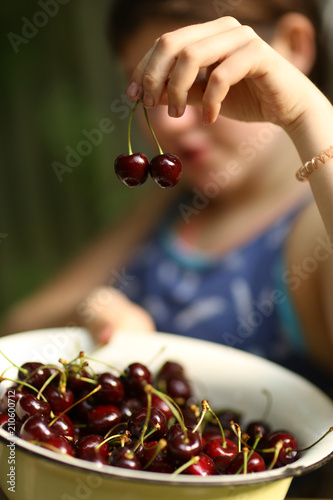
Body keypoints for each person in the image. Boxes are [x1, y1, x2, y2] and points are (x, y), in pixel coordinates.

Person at [3, 1, 333, 385]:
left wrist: (303, 111)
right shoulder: (181, 201)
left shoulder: (311, 232)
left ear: (293, 45)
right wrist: (91, 314)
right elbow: (19, 328)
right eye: (147, 91)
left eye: (202, 80)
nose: (167, 123)